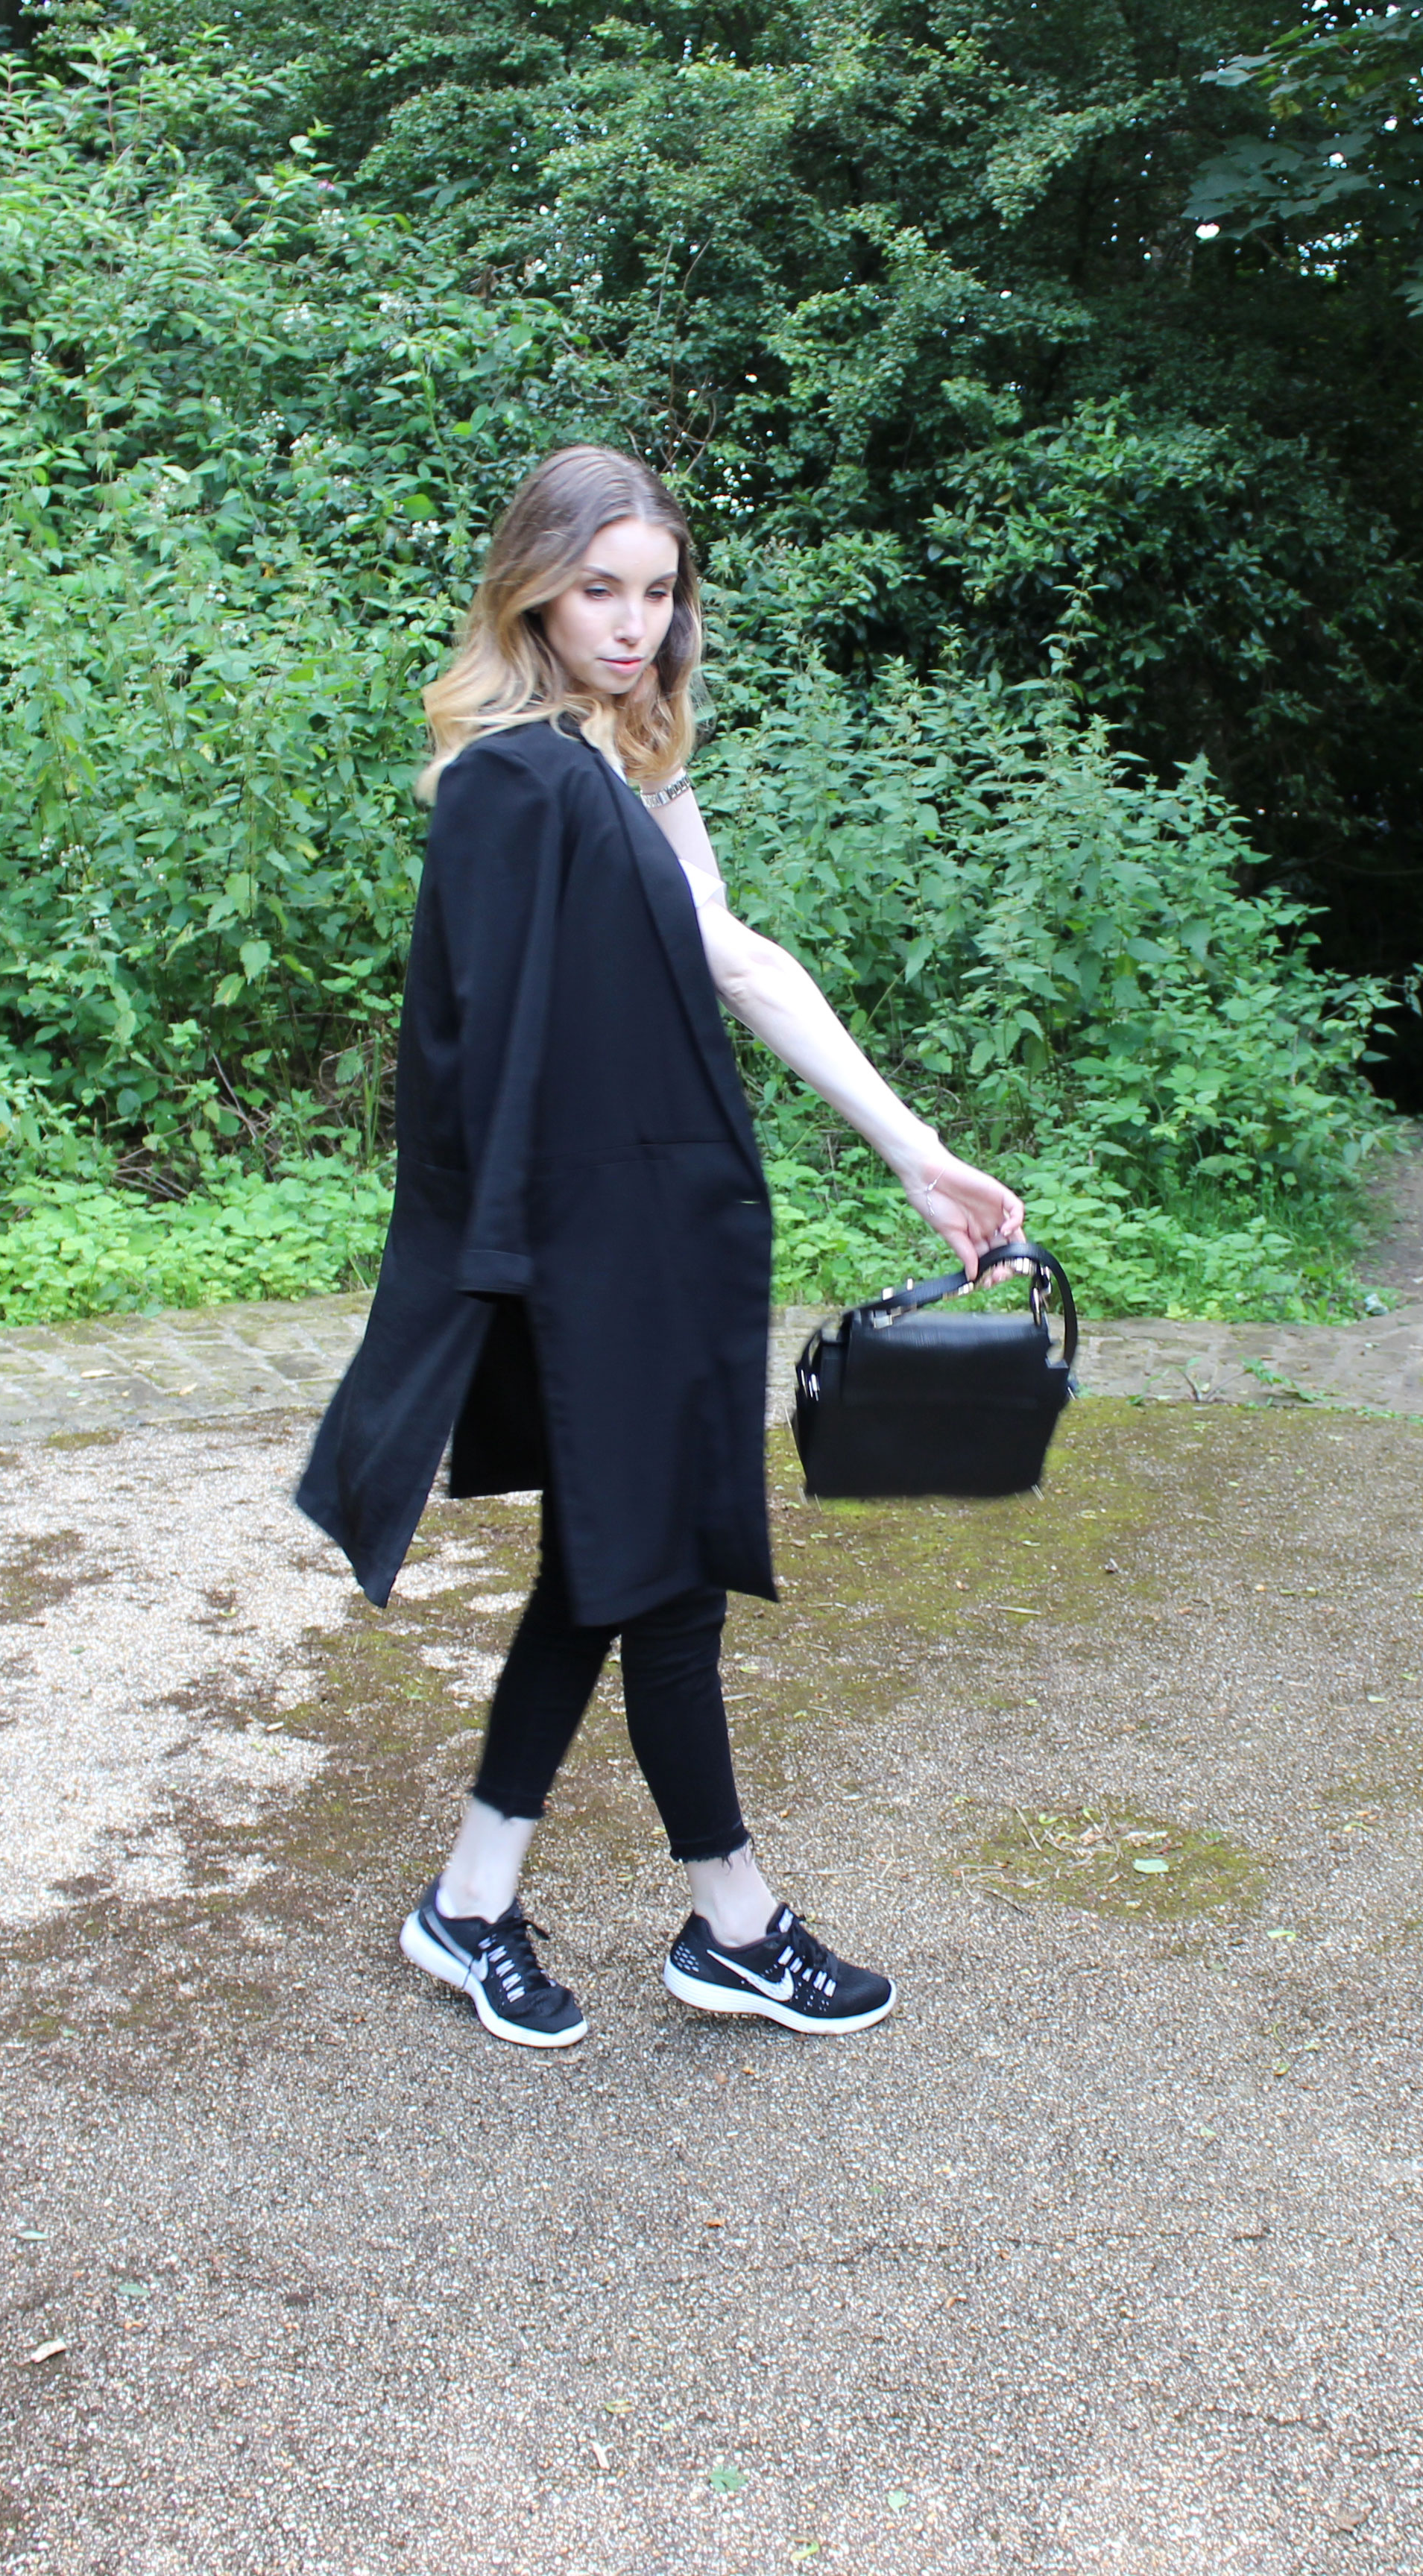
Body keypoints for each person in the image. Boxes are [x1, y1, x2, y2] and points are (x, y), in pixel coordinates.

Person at [294, 446, 1026, 2051]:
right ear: (533, 592)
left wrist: (914, 1150)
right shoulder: (518, 783)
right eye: (598, 590)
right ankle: (734, 1924)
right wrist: (535, 1279)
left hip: (659, 1237)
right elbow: (485, 1058)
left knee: (609, 1566)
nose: (632, 623)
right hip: (598, 1252)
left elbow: (735, 959)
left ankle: (474, 1902)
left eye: (657, 591)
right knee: (666, 1569)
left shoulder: (611, 769)